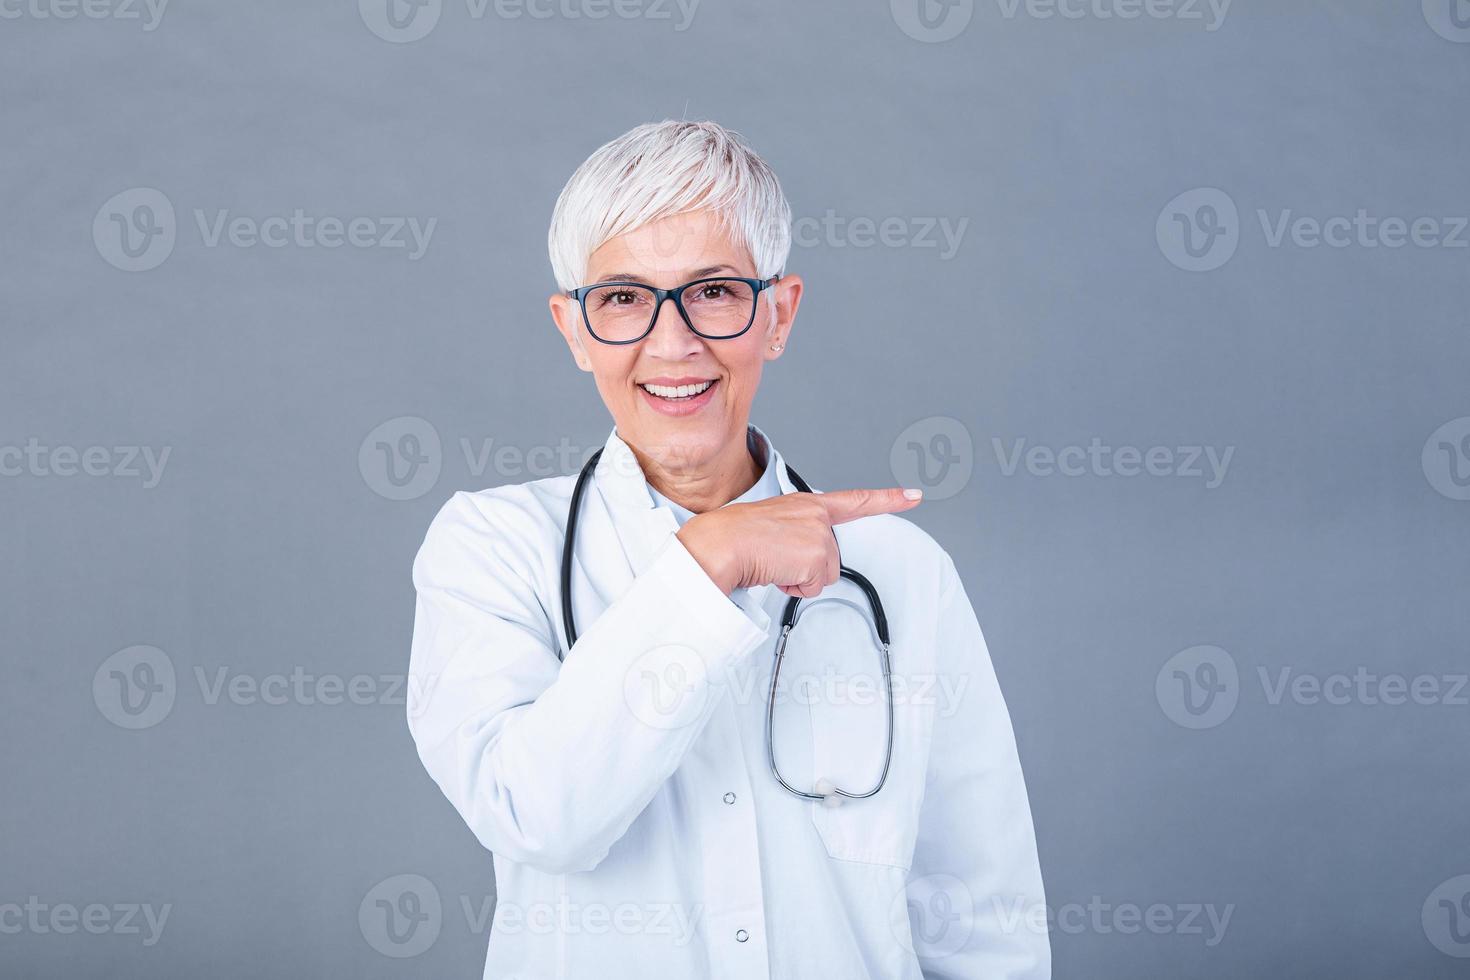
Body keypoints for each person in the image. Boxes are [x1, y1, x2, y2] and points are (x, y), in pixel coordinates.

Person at [406, 119, 1050, 979]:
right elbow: (536, 816)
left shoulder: (899, 570)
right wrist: (706, 566)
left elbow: (979, 909)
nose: (673, 344)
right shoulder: (491, 548)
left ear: (777, 314)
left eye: (712, 291)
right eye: (625, 298)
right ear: (574, 329)